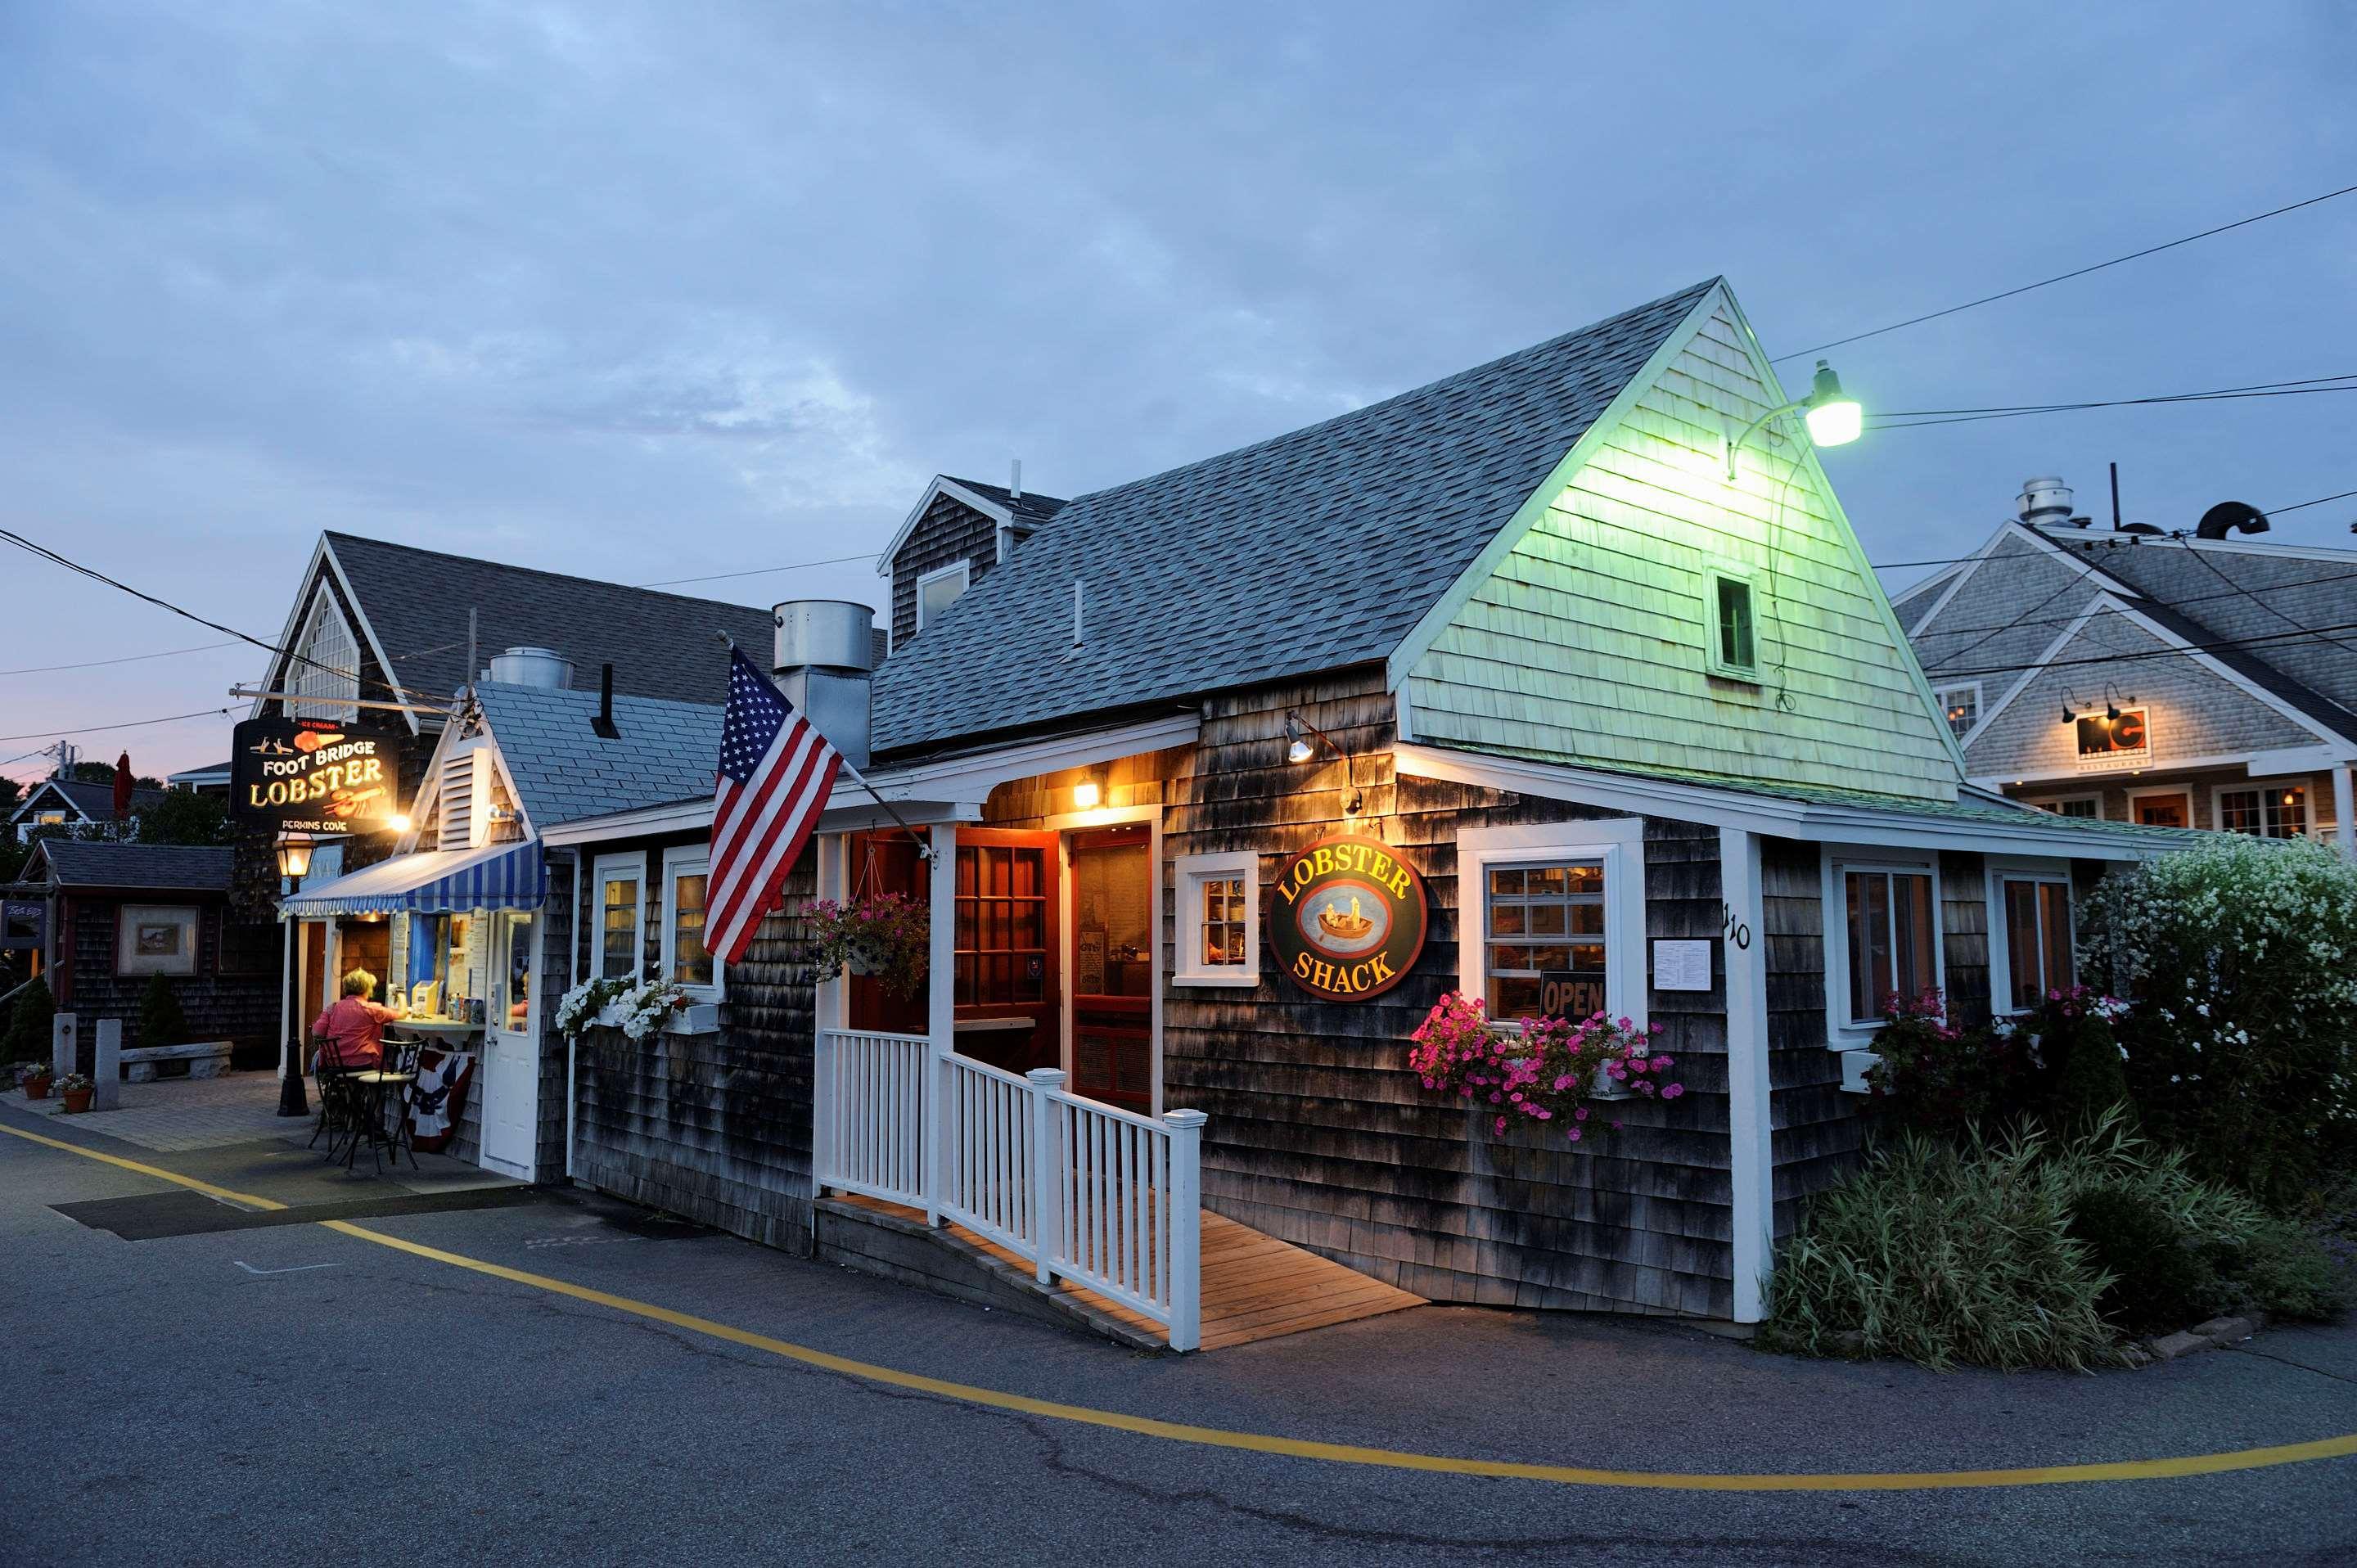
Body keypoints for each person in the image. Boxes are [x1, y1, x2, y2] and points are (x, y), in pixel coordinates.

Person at [312, 968, 406, 1072]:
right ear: (367, 988)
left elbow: (317, 1033)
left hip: (336, 1064)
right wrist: (401, 995)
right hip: (365, 1063)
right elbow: (402, 1014)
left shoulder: (332, 1008)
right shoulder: (371, 1009)